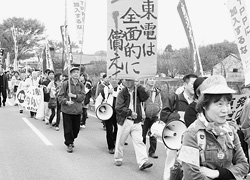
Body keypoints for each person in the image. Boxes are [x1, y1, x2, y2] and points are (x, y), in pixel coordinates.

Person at [179, 75, 249, 179]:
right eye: (220, 104)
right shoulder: (192, 134)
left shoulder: (230, 131)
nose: (226, 110)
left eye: (228, 104)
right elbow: (191, 175)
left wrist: (218, 173)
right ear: (204, 105)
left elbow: (244, 165)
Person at [160, 73, 197, 180]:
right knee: (171, 162)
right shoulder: (174, 98)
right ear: (185, 85)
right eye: (192, 84)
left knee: (188, 164)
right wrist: (178, 116)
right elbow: (163, 115)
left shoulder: (198, 102)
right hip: (174, 136)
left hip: (190, 137)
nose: (194, 87)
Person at [114, 78, 153, 170]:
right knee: (120, 141)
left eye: (130, 80)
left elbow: (146, 97)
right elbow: (118, 107)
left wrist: (139, 85)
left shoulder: (138, 90)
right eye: (126, 80)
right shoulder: (122, 93)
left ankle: (143, 161)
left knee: (139, 141)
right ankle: (118, 158)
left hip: (136, 121)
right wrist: (130, 112)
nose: (127, 82)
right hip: (125, 120)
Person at [58, 67, 85, 153]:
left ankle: (71, 139)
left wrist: (74, 96)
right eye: (74, 72)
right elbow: (60, 96)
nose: (76, 74)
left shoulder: (81, 85)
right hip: (67, 110)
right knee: (68, 128)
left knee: (76, 129)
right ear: (71, 74)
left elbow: (83, 97)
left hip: (77, 110)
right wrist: (66, 102)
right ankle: (69, 143)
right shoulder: (65, 84)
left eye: (77, 72)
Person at [95, 76, 118, 154]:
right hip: (108, 111)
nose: (114, 81)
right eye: (113, 79)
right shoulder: (105, 89)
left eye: (116, 79)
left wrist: (113, 93)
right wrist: (99, 109)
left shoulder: (122, 89)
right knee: (109, 129)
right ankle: (111, 146)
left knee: (118, 129)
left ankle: (114, 140)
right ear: (110, 80)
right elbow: (98, 100)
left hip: (118, 113)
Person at [142, 79, 162, 159]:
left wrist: (158, 114)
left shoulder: (157, 92)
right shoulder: (144, 91)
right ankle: (142, 151)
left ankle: (152, 152)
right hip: (145, 117)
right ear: (146, 81)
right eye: (150, 79)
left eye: (154, 79)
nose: (152, 81)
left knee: (153, 134)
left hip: (154, 116)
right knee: (143, 135)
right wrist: (142, 115)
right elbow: (141, 104)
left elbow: (160, 104)